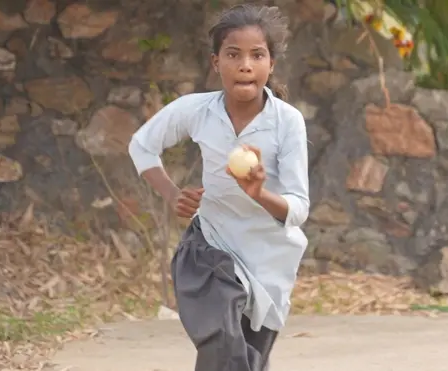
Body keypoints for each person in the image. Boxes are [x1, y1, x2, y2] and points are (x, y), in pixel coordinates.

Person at [127, 4, 309, 371]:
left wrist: (258, 193)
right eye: (233, 54)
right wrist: (172, 193)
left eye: (257, 55)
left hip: (269, 260)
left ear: (270, 64)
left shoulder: (287, 122)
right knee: (222, 343)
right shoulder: (197, 111)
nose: (245, 64)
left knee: (247, 361)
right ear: (216, 63)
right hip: (210, 248)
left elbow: (299, 208)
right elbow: (141, 145)